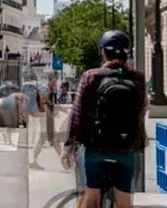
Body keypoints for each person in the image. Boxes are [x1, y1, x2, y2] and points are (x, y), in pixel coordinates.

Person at [62, 31, 147, 208]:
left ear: (102, 52)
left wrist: (68, 147)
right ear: (127, 53)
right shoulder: (138, 79)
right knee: (125, 202)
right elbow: (141, 111)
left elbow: (77, 115)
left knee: (91, 196)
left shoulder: (91, 77)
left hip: (95, 148)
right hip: (126, 148)